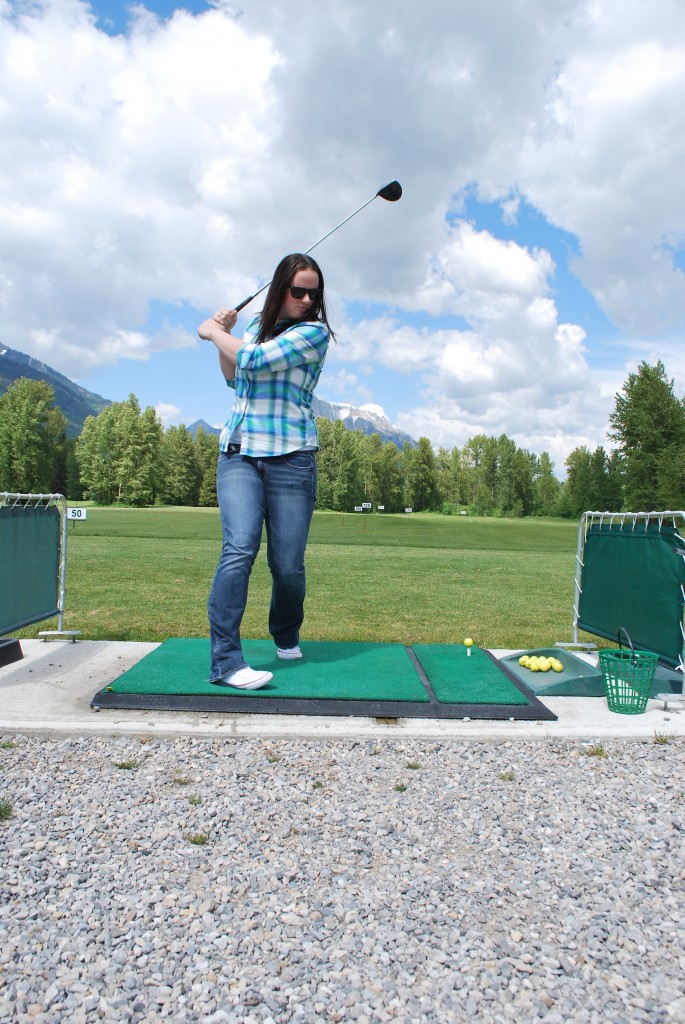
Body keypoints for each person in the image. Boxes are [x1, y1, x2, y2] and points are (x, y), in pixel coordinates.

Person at [197, 253, 335, 690]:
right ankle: (226, 663)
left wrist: (215, 331)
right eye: (299, 291)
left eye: (315, 292)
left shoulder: (314, 333)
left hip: (292, 457)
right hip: (239, 453)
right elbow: (235, 376)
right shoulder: (256, 333)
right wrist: (229, 336)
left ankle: (285, 631)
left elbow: (254, 362)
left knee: (288, 566)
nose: (307, 298)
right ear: (281, 289)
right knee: (239, 550)